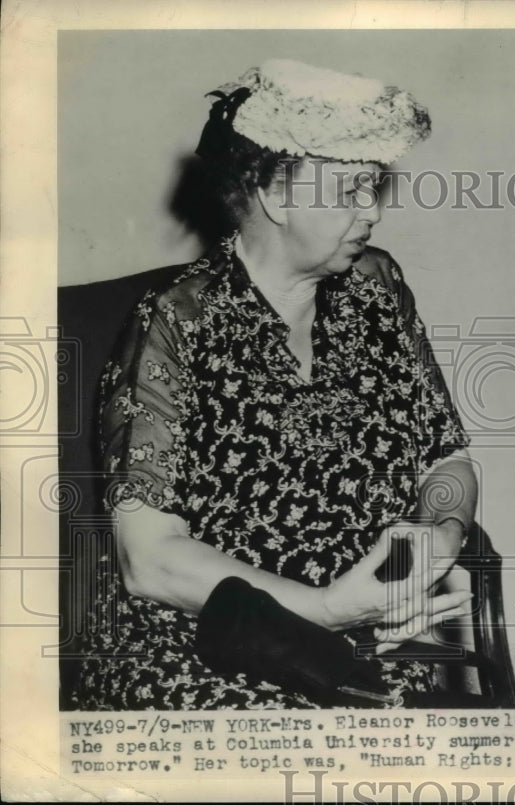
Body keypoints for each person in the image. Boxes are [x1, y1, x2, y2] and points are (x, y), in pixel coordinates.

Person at [71, 59, 477, 710]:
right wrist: (323, 608)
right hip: (206, 650)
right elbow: (147, 559)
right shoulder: (176, 323)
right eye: (351, 190)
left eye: (375, 187)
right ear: (275, 193)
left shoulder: (379, 291)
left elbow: (446, 458)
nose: (372, 211)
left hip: (361, 650)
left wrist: (436, 536)